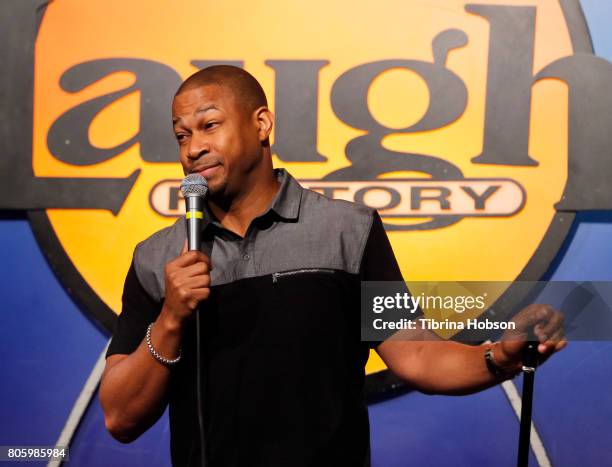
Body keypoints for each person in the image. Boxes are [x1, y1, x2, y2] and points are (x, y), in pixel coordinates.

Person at [99, 65, 566, 467]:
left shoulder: (348, 231)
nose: (192, 148)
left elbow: (419, 356)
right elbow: (120, 417)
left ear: (261, 123)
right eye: (181, 135)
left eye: (209, 125)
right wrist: (170, 320)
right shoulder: (159, 258)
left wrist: (499, 357)